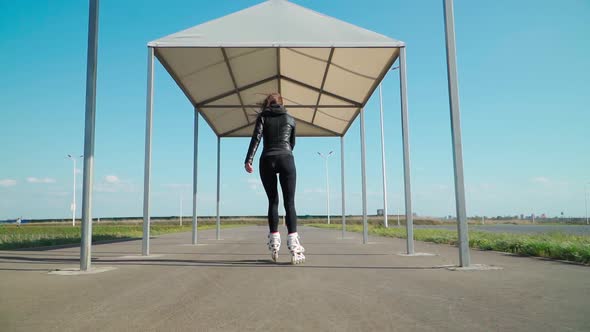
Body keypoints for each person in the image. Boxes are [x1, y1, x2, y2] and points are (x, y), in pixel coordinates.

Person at [244, 93, 305, 264]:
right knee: (290, 203)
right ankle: (293, 244)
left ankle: (274, 242)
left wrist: (249, 160)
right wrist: (284, 152)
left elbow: (256, 138)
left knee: (273, 202)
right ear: (282, 103)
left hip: (267, 160)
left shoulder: (263, 117)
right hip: (286, 158)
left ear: (268, 104)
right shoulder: (291, 119)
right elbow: (292, 143)